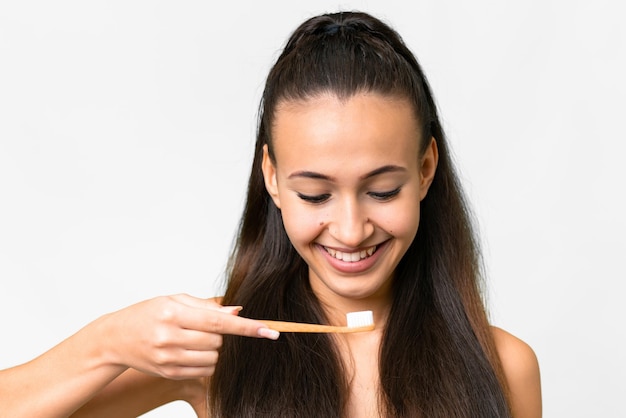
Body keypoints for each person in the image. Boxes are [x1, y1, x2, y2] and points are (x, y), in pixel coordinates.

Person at [0, 11, 541, 418]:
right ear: (273, 178)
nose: (351, 230)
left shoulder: (504, 366)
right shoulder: (222, 343)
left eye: (381, 191)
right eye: (314, 196)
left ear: (425, 169)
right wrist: (107, 342)